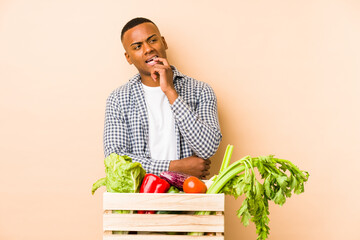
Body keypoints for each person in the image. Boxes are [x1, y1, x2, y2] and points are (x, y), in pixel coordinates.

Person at [103, 17, 222, 179]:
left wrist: (170, 91)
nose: (148, 49)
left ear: (164, 42)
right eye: (137, 47)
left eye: (152, 40)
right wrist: (174, 167)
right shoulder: (118, 99)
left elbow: (207, 148)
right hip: (140, 200)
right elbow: (115, 160)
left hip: (188, 198)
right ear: (128, 57)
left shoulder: (200, 90)